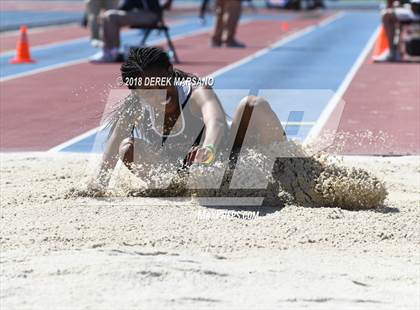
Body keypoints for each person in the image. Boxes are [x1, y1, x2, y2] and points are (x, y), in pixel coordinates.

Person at [91, 47, 287, 189]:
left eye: (161, 86)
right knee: (127, 147)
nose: (159, 97)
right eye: (148, 93)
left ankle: (289, 173)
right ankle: (171, 189)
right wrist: (98, 184)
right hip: (180, 175)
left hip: (222, 160)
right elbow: (115, 142)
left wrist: (208, 150)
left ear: (169, 72)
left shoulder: (196, 92)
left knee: (253, 105)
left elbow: (216, 121)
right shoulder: (135, 105)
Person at [91, 0, 172, 63]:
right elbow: (128, 5)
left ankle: (111, 51)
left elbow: (128, 5)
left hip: (149, 14)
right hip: (145, 13)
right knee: (109, 16)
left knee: (111, 16)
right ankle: (109, 50)